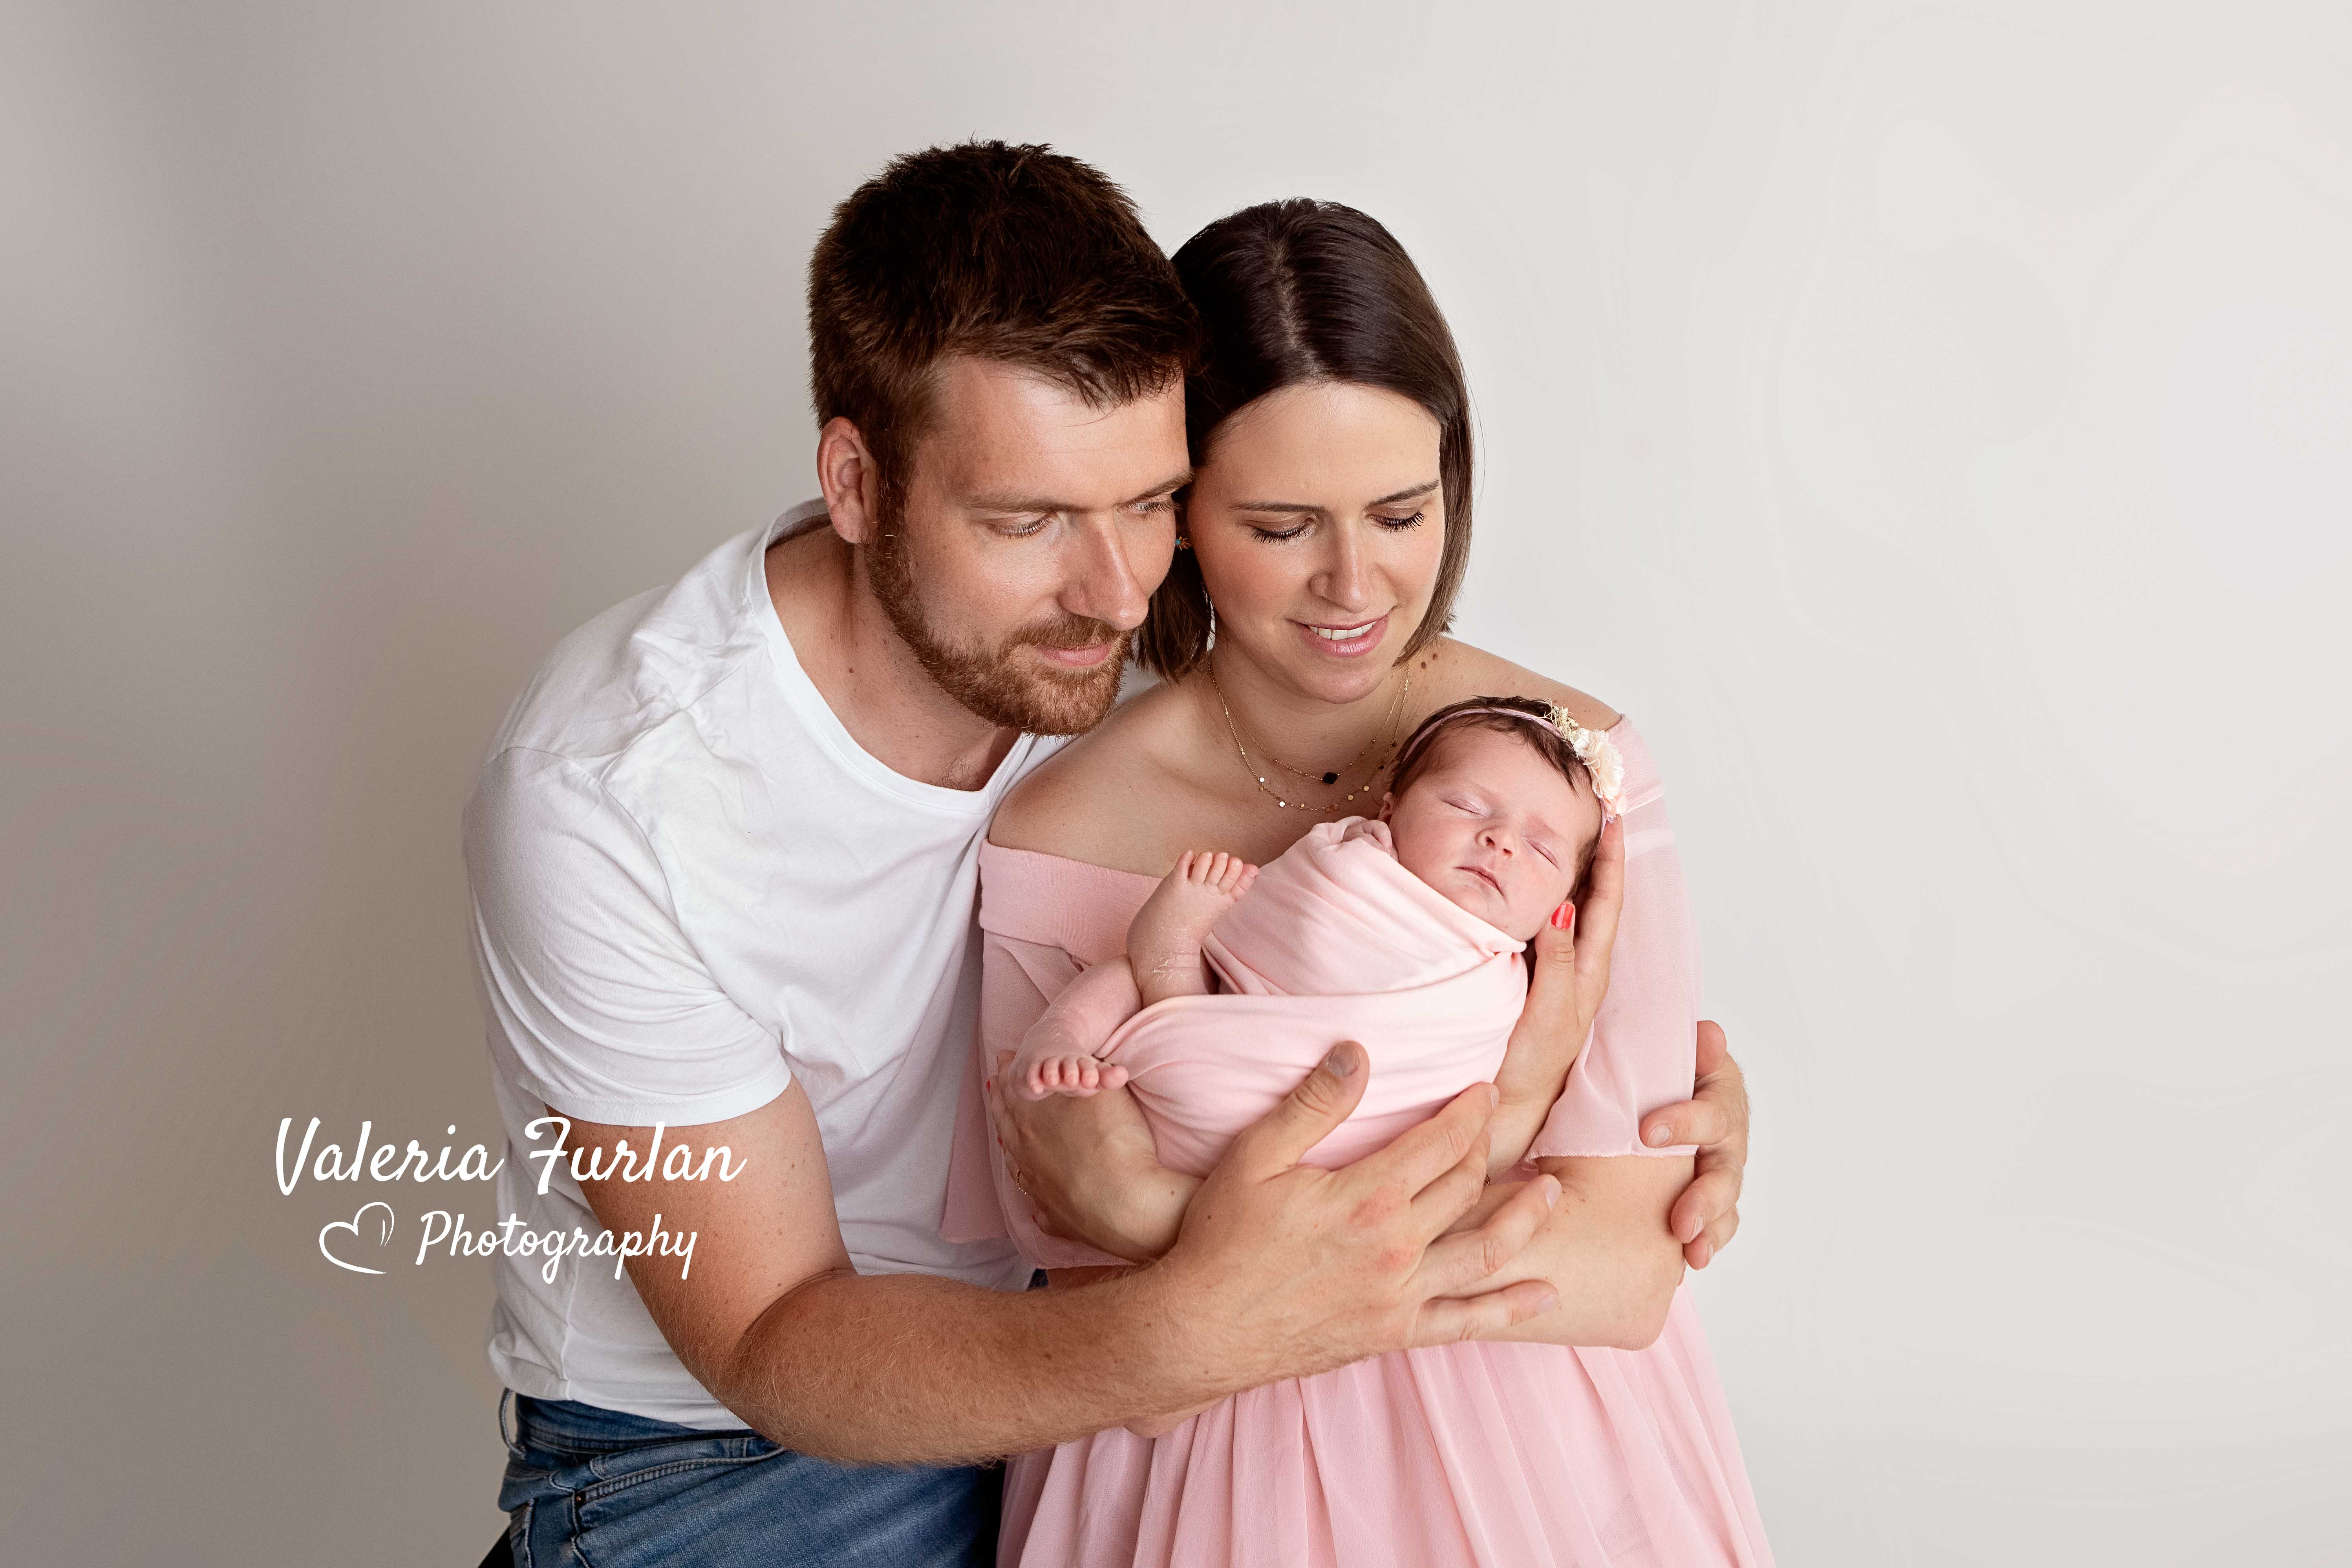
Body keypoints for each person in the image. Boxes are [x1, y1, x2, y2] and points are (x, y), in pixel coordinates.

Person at [465, 143, 1752, 1568]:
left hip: (1096, 1365)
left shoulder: (1158, 655)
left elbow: (1606, 1212)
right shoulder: (612, 794)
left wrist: (1609, 1106)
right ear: (857, 480)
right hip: (749, 1449)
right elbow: (777, 1332)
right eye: (1028, 523)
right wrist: (1268, 1255)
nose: (1115, 589)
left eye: (1146, 507)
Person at [960, 199, 1772, 1564]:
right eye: (1281, 526)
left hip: (1551, 1457)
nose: (1356, 583)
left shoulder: (1576, 780)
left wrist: (1204, 1243)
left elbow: (1627, 1270)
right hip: (1192, 1473)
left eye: (1402, 511)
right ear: (1174, 516)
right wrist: (1510, 1121)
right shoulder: (1066, 825)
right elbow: (1070, 1263)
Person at [1007, 696, 1621, 1105]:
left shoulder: (1512, 985)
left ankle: (1171, 980)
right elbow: (1282, 936)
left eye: (1541, 850)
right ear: (1388, 812)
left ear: (1563, 900)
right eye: (1464, 806)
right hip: (1206, 1040)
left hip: (1350, 1137)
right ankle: (1074, 1024)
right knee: (1123, 979)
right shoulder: (1342, 866)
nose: (1500, 842)